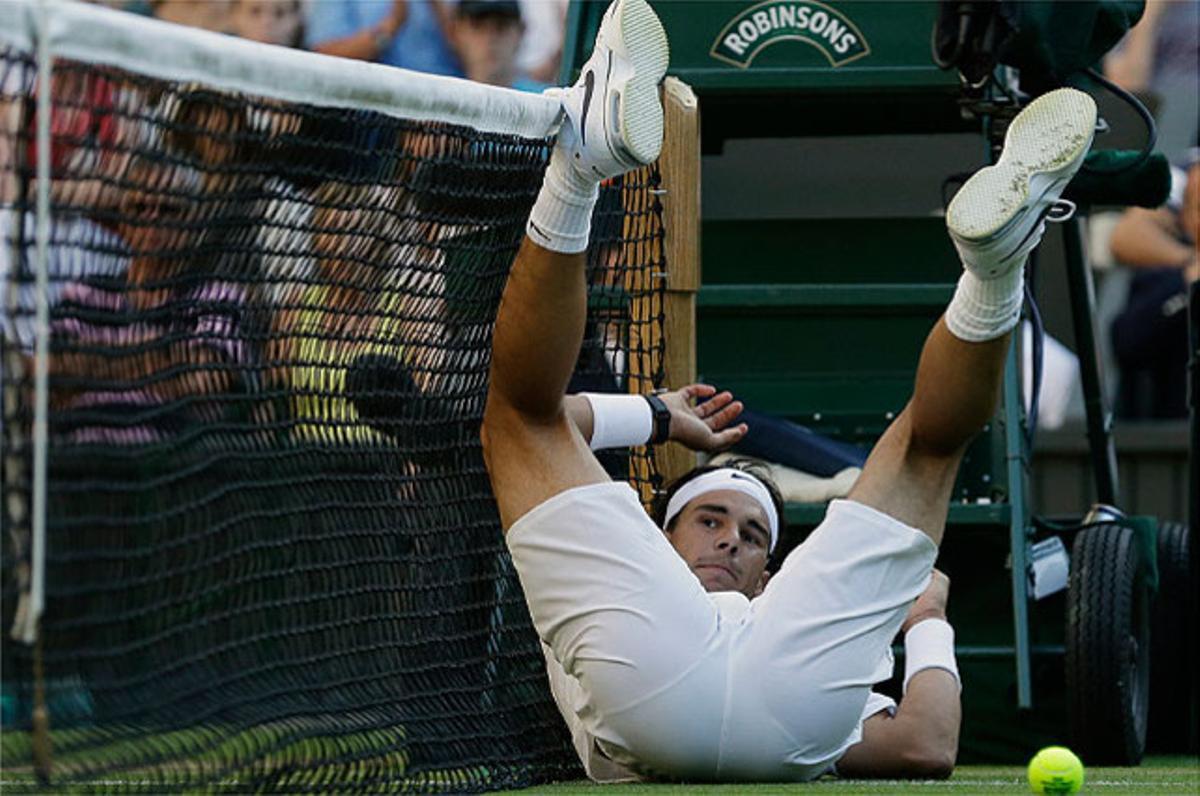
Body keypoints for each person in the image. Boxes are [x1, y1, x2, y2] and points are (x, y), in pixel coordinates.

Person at [480, 0, 1098, 781]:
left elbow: (925, 747)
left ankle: (580, 164)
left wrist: (930, 619)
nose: (730, 542)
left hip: (667, 693)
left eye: (751, 534)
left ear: (771, 575)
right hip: (780, 714)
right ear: (656, 540)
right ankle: (995, 273)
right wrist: (657, 414)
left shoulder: (757, 610)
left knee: (517, 417)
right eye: (710, 520)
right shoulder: (740, 614)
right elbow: (924, 748)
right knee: (926, 449)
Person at [1108, 152, 1199, 419]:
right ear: (1186, 220)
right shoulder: (1165, 279)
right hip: (1173, 430)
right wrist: (1188, 283)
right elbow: (1128, 341)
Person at [305, 0, 461, 78]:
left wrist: (440, 10)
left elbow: (468, 55)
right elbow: (324, 56)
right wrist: (390, 26)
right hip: (371, 116)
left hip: (443, 112)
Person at [448, 0, 546, 92]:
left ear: (521, 32)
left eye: (501, 26)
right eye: (478, 26)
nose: (490, 38)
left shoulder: (546, 101)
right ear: (456, 32)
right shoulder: (443, 95)